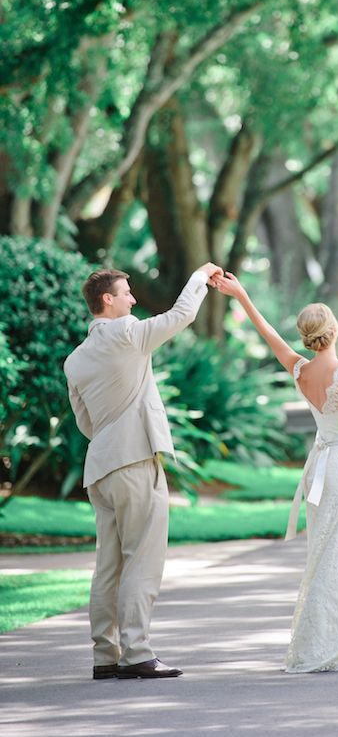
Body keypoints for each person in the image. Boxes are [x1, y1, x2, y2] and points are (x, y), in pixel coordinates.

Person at [214, 272, 338, 672]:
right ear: (334, 330)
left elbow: (267, 333)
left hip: (317, 469)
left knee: (323, 552)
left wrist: (242, 294)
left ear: (307, 337)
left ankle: (322, 638)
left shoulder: (299, 371)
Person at [64, 262, 222, 680]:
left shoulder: (75, 360)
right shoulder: (129, 332)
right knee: (142, 561)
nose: (134, 299)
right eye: (127, 292)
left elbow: (85, 422)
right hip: (135, 461)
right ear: (107, 300)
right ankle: (137, 653)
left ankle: (105, 656)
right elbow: (181, 316)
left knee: (108, 564)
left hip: (100, 467)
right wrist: (198, 277)